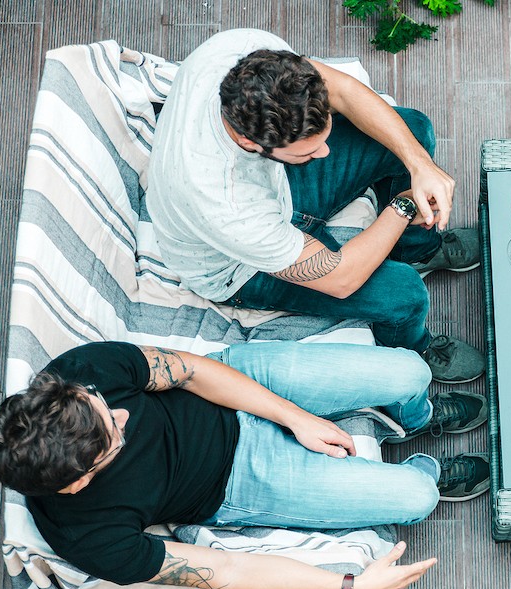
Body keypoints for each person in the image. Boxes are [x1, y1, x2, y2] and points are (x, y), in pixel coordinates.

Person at [0, 340, 491, 589]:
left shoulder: (75, 376)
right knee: (417, 496)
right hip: (239, 481)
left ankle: (413, 417)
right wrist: (348, 588)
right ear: (77, 481)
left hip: (235, 385)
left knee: (412, 372)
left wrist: (297, 417)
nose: (121, 417)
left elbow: (191, 371)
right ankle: (420, 463)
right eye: (112, 438)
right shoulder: (89, 539)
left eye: (102, 406)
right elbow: (227, 572)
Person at [147, 29, 485, 384]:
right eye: (308, 152)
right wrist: (402, 206)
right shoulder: (223, 200)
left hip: (276, 188)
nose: (324, 153)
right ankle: (415, 349)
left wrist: (420, 166)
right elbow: (342, 279)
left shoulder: (246, 51)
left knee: (412, 132)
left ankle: (417, 249)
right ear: (250, 140)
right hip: (235, 266)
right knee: (403, 293)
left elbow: (342, 91)